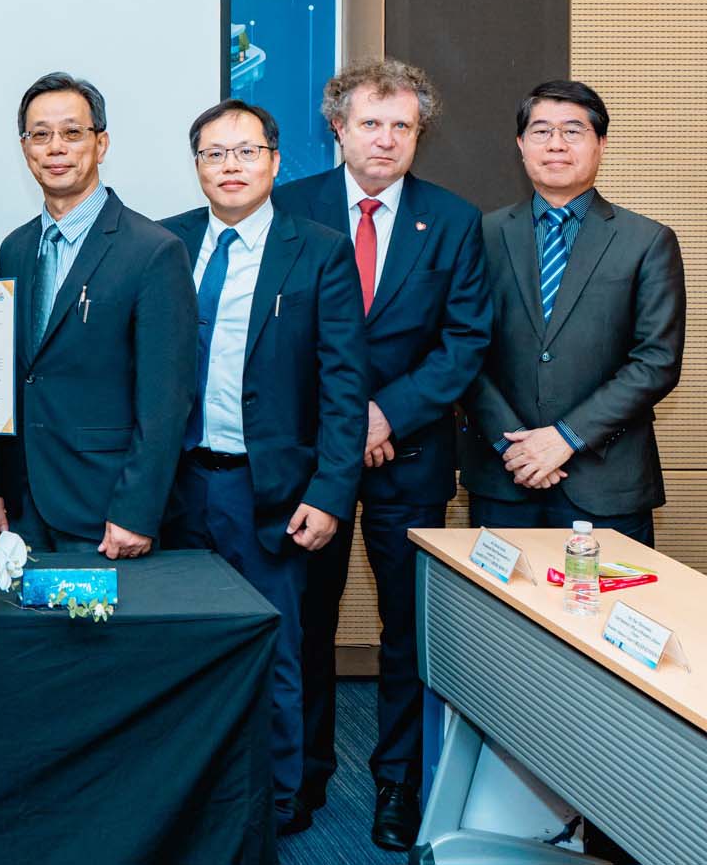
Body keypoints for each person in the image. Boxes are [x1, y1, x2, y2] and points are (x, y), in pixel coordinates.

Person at [273, 59, 490, 850]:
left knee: (406, 630)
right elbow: (274, 337)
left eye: (403, 125)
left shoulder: (453, 220)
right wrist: (343, 421)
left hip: (412, 453)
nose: (387, 139)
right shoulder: (287, 208)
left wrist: (383, 412)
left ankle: (398, 782)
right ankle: (302, 773)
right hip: (311, 461)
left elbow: (465, 341)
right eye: (371, 123)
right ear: (338, 128)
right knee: (306, 624)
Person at [161, 99, 366, 836]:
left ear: (275, 162)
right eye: (214, 154)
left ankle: (276, 804)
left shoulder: (318, 250)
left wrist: (331, 492)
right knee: (185, 649)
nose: (231, 166)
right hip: (180, 486)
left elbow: (344, 386)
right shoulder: (166, 243)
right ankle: (194, 797)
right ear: (197, 166)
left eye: (246, 152)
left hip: (270, 490)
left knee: (277, 652)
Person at [0, 72, 196, 558]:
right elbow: (7, 376)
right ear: (25, 148)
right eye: (40, 134)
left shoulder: (153, 251)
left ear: (101, 143)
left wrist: (136, 510)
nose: (56, 148)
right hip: (22, 506)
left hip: (106, 508)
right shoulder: (16, 248)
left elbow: (166, 402)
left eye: (72, 132)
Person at [460, 80, 683, 545]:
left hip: (608, 484)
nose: (556, 144)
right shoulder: (481, 235)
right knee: (495, 600)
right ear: (521, 144)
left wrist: (564, 437)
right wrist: (514, 443)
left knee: (606, 596)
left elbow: (656, 362)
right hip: (504, 476)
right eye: (541, 131)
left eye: (573, 131)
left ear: (601, 143)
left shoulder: (647, 241)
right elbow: (462, 348)